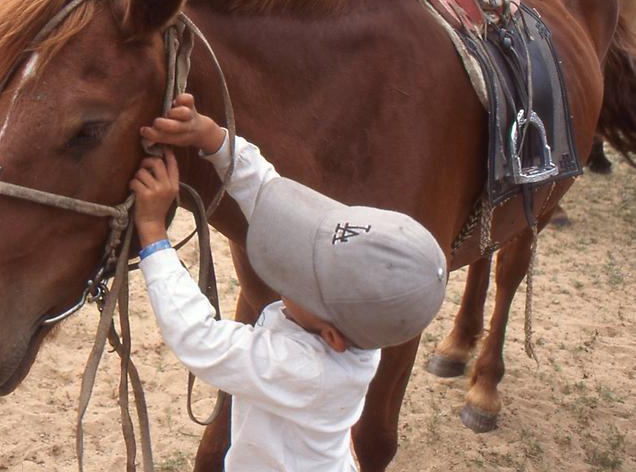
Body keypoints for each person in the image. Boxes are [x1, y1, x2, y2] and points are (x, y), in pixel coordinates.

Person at [130, 93, 447, 472]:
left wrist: (153, 235)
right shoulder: (357, 328)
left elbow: (200, 338)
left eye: (302, 274)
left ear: (332, 336)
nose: (291, 257)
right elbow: (269, 194)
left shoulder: (302, 368)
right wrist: (213, 138)